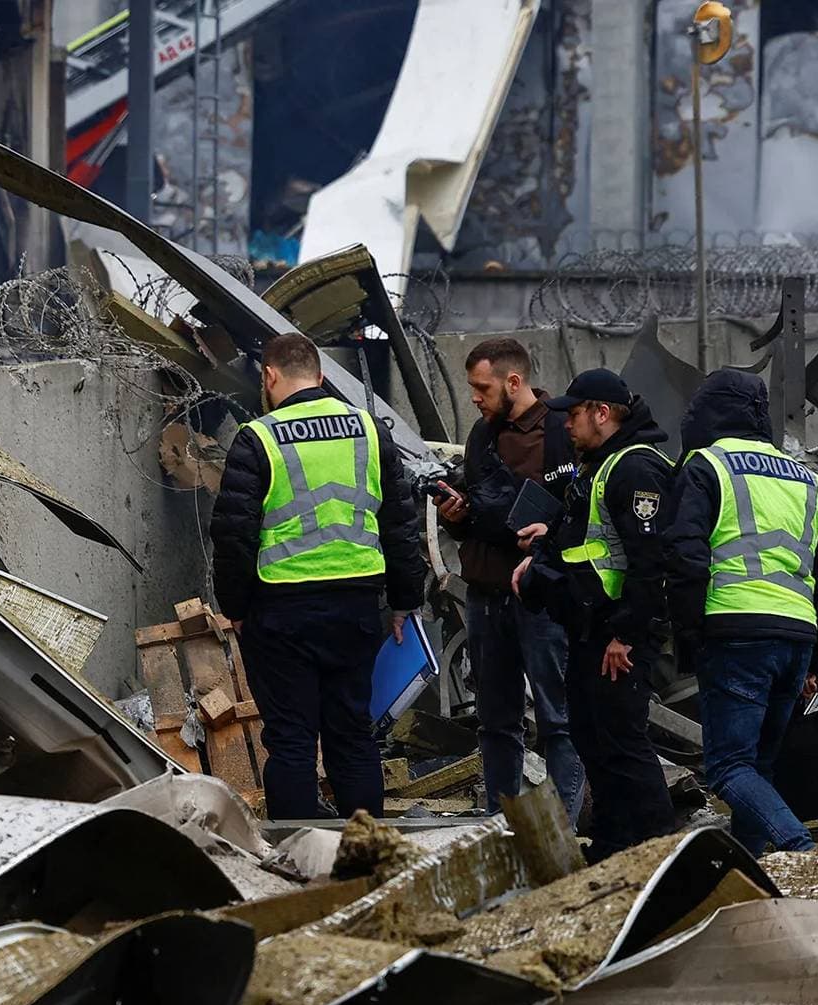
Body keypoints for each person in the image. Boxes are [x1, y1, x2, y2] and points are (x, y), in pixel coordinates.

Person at [210, 332, 425, 819]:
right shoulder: (370, 431)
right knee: (353, 736)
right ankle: (366, 851)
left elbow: (233, 535)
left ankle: (296, 859)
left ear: (270, 377)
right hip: (356, 608)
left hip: (283, 612)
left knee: (291, 742)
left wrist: (236, 610)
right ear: (322, 376)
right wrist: (404, 601)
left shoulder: (259, 437)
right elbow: (400, 522)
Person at [666, 368, 818, 855]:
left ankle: (800, 850)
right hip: (797, 639)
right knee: (759, 768)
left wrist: (688, 635)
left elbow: (685, 558)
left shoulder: (707, 466)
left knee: (728, 769)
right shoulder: (810, 482)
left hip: (734, 632)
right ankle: (752, 867)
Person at [512, 368, 678, 860]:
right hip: (591, 631)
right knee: (593, 740)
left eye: (574, 414)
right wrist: (548, 546)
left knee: (622, 744)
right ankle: (613, 848)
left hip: (617, 639)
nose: (566, 425)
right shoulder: (601, 465)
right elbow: (597, 544)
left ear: (601, 414)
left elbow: (652, 562)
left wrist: (626, 634)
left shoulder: (636, 468)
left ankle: (658, 852)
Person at [435, 338, 585, 821]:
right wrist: (456, 513)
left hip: (540, 597)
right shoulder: (482, 435)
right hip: (487, 593)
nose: (475, 397)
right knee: (495, 720)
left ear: (513, 382)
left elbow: (580, 512)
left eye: (482, 388)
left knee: (558, 719)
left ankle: (562, 827)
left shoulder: (563, 430)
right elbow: (477, 508)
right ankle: (501, 823)